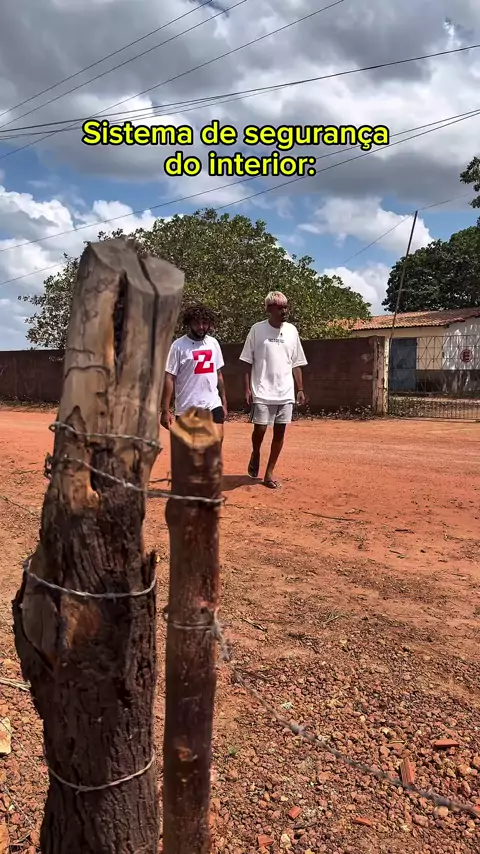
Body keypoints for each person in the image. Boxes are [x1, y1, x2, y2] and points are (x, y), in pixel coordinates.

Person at [239, 291, 307, 488]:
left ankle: (268, 474)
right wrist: (247, 389)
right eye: (279, 308)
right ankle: (256, 452)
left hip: (285, 392)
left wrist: (300, 389)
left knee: (280, 433)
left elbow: (296, 363)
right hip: (261, 390)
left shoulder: (292, 331)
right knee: (260, 429)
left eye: (285, 307)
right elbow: (246, 362)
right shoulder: (257, 330)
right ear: (269, 309)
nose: (284, 311)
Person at [160, 304, 228, 439]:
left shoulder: (213, 343)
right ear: (189, 323)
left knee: (217, 441)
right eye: (197, 323)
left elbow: (218, 374)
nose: (201, 327)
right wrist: (165, 410)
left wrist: (224, 402)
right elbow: (169, 378)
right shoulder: (178, 346)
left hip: (213, 404)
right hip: (187, 407)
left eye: (204, 323)